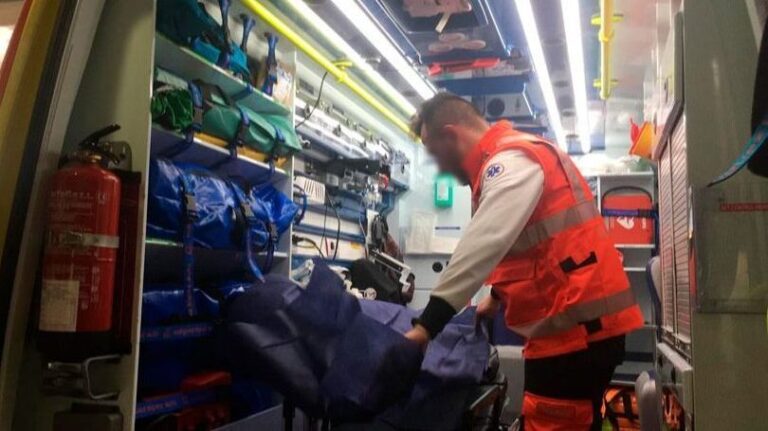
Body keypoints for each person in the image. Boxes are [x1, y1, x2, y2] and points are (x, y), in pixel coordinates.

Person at [404, 93, 644, 431]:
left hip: (575, 334)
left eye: (434, 154)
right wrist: (496, 297)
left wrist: (426, 326)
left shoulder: (510, 160)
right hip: (575, 329)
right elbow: (531, 245)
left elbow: (484, 241)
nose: (438, 166)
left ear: (450, 135)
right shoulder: (513, 159)